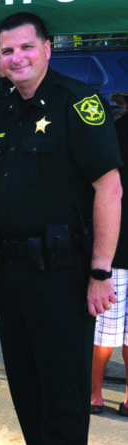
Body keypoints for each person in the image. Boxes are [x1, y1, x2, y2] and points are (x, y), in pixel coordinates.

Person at [0, 12, 123, 445]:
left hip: (63, 277)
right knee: (27, 389)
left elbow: (109, 187)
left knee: (64, 398)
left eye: (25, 47)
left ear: (47, 47)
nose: (16, 57)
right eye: (6, 50)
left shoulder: (78, 103)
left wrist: (100, 271)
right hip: (10, 276)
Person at [91, 91, 128, 417]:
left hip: (114, 250)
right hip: (114, 252)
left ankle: (95, 395)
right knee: (108, 331)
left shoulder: (113, 134)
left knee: (105, 330)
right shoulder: (115, 133)